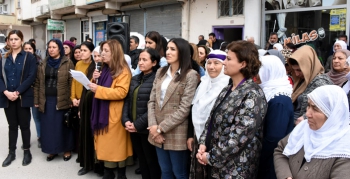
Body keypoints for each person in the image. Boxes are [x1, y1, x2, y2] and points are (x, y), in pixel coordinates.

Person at [196, 40, 268, 179]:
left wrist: (211, 157)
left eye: (228, 59)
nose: (224, 62)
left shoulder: (252, 94)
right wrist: (203, 143)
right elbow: (211, 119)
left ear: (243, 63)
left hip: (235, 170)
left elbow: (238, 137)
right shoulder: (228, 89)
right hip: (216, 164)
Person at [147, 38, 199, 178]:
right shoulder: (161, 72)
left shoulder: (190, 75)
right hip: (156, 130)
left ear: (182, 52)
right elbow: (152, 100)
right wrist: (153, 126)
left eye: (173, 49)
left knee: (179, 172)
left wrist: (160, 128)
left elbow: (184, 109)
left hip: (176, 131)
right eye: (168, 48)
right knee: (165, 170)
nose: (168, 52)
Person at [274, 85, 350, 179]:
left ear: (332, 115)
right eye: (308, 106)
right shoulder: (304, 128)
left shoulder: (344, 148)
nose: (307, 114)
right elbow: (280, 151)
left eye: (315, 108)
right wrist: (286, 176)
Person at [87, 39, 133, 179]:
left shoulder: (123, 70)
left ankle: (120, 174)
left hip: (114, 114)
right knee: (106, 147)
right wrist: (95, 79)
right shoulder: (104, 68)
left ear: (115, 53)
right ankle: (108, 172)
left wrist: (98, 88)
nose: (102, 54)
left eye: (106, 51)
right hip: (102, 112)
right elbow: (95, 87)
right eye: (102, 50)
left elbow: (121, 92)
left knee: (117, 148)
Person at [188, 50, 230, 179]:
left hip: (216, 143)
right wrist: (191, 135)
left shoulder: (229, 86)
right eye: (209, 63)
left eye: (217, 63)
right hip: (198, 138)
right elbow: (194, 109)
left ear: (224, 65)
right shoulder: (203, 84)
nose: (211, 67)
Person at [122, 48, 162, 179]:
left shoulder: (158, 79)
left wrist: (138, 124)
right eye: (139, 59)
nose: (140, 62)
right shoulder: (135, 79)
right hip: (133, 127)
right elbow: (128, 101)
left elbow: (154, 106)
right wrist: (126, 120)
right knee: (142, 160)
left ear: (154, 62)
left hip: (147, 128)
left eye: (145, 60)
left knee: (151, 161)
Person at [0, 30, 38, 167]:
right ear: (8, 41)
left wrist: (17, 92)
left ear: (21, 40)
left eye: (16, 39)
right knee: (12, 126)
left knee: (25, 125)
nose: (14, 41)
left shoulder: (29, 57)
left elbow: (31, 77)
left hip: (22, 96)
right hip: (7, 97)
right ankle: (11, 153)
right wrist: (5, 92)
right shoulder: (4, 57)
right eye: (11, 39)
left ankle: (27, 151)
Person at [34, 39, 75, 162]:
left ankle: (66, 149)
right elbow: (37, 83)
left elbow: (72, 82)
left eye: (54, 47)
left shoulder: (67, 62)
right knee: (48, 128)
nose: (51, 49)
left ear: (60, 49)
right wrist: (37, 99)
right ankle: (52, 150)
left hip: (62, 99)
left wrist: (71, 99)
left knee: (63, 127)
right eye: (49, 47)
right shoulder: (43, 63)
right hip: (46, 100)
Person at [256, 55, 294, 179]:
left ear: (268, 72)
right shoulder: (269, 92)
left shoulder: (279, 100)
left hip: (270, 161)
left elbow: (274, 137)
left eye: (259, 70)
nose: (256, 75)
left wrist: (257, 156)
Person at [77, 45, 104, 176]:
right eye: (95, 56)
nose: (97, 58)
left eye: (99, 56)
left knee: (97, 137)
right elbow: (84, 88)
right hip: (87, 107)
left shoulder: (108, 69)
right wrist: (81, 107)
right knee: (86, 135)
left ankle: (99, 166)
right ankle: (86, 164)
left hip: (99, 107)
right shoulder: (92, 68)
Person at [288, 45, 333, 124]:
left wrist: (305, 117)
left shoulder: (321, 83)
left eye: (299, 70)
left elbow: (326, 109)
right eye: (294, 70)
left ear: (309, 66)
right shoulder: (301, 80)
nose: (296, 74)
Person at [23, 41, 42, 148]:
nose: (28, 51)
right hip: (24, 93)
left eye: (30, 49)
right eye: (25, 49)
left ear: (34, 50)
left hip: (35, 93)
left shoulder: (39, 62)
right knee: (25, 119)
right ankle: (26, 140)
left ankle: (40, 137)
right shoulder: (20, 62)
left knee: (37, 117)